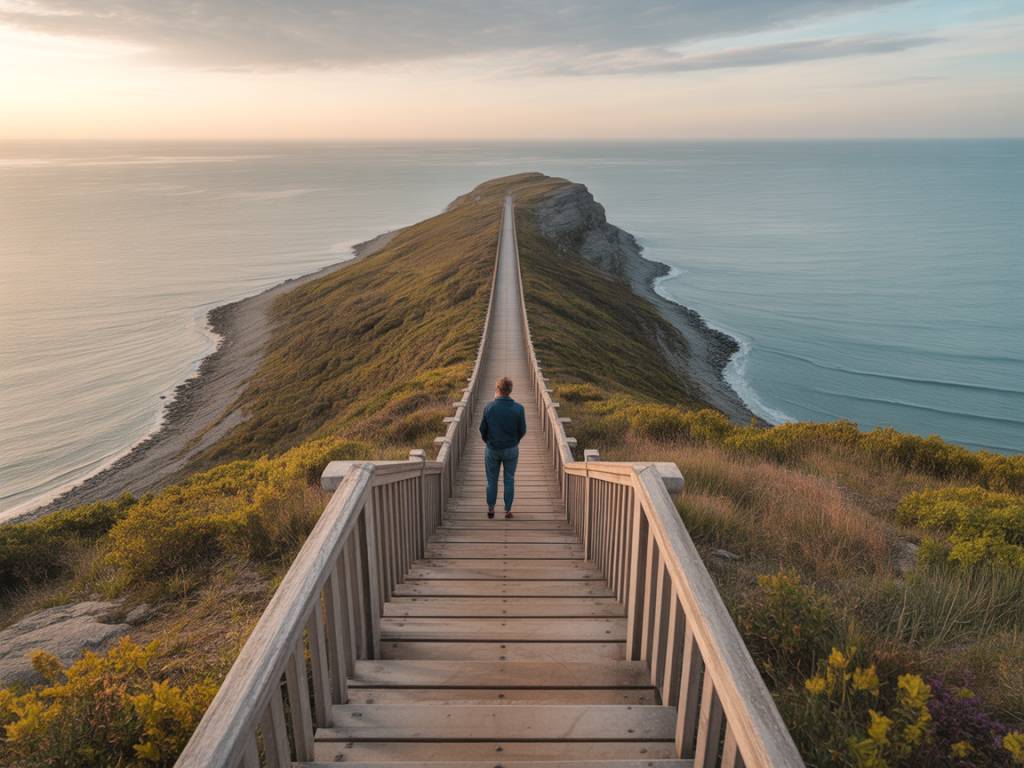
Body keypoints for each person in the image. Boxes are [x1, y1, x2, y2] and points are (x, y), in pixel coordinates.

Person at [478, 376, 526, 519]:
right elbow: (522, 430)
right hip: (511, 448)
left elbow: (482, 430)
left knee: (491, 479)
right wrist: (514, 441)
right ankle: (508, 510)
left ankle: (491, 508)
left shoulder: (489, 407)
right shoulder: (519, 408)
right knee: (509, 479)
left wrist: (489, 441)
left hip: (492, 449)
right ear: (510, 391)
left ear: (497, 389)